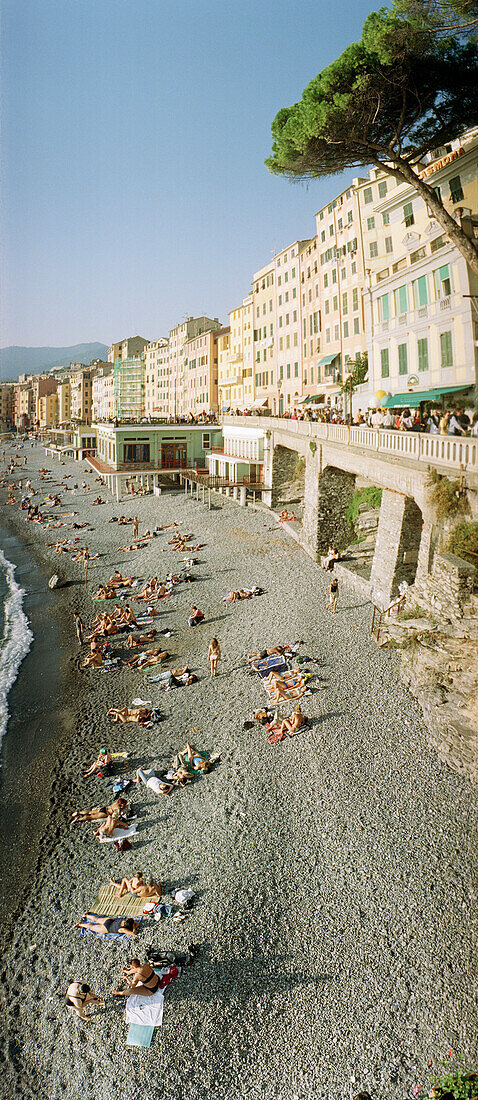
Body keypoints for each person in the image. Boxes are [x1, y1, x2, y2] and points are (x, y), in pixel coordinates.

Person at [111, 958, 179, 999]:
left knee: (130, 991)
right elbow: (137, 970)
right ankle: (119, 991)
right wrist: (127, 971)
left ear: (134, 967)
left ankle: (119, 993)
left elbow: (133, 986)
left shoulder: (137, 975)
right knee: (145, 978)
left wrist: (126, 978)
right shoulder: (145, 964)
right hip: (157, 979)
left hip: (151, 990)